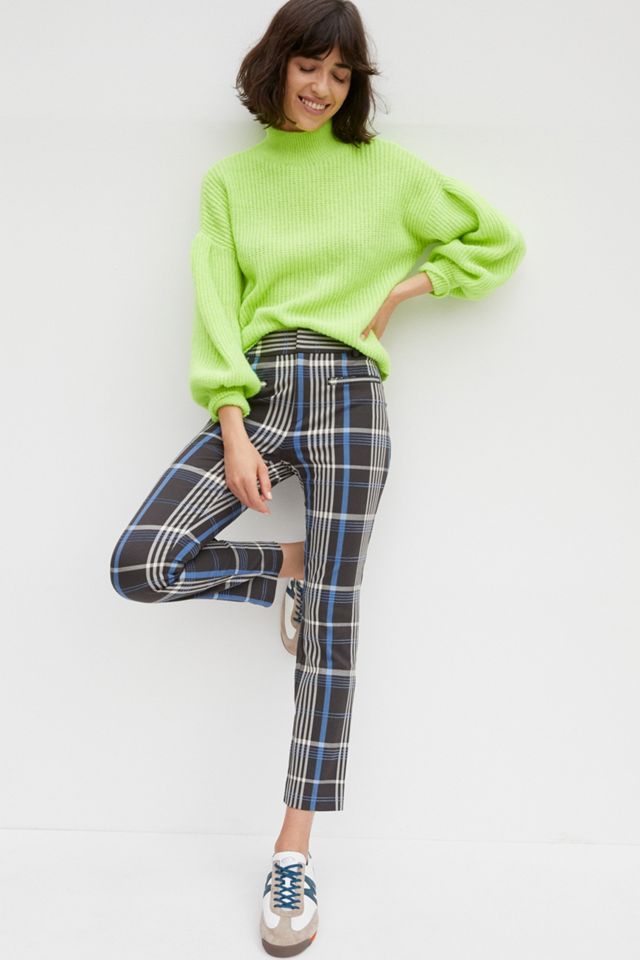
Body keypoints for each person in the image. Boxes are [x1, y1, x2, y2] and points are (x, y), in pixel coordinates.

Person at [109, 0, 527, 953]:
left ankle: (291, 850)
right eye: (310, 66)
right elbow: (216, 304)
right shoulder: (230, 182)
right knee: (143, 562)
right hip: (258, 391)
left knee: (333, 628)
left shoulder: (388, 172)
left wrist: (404, 290)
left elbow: (496, 240)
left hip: (348, 395)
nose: (323, 88)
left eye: (342, 74)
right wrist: (231, 422)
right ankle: (291, 567)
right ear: (278, 65)